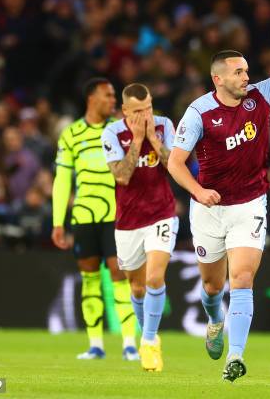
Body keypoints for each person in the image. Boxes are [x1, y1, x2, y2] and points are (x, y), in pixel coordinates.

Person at [168, 18, 270, 381]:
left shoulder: (262, 96)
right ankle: (215, 319)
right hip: (209, 209)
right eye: (239, 72)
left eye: (247, 70)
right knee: (213, 286)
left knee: (243, 278)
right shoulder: (199, 112)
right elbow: (175, 163)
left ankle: (236, 356)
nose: (247, 76)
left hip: (249, 205)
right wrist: (199, 191)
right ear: (218, 79)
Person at [51, 77, 138, 361]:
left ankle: (129, 345)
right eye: (108, 95)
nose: (114, 100)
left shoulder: (119, 132)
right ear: (92, 98)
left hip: (116, 215)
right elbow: (62, 180)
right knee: (89, 279)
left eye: (114, 96)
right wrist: (57, 222)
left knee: (119, 276)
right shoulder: (71, 134)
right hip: (85, 216)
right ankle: (96, 345)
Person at [101, 83, 178, 372]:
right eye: (137, 111)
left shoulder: (164, 125)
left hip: (162, 213)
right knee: (136, 285)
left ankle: (146, 342)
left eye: (147, 108)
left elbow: (174, 165)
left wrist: (153, 140)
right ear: (124, 110)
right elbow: (121, 176)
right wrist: (136, 140)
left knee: (154, 278)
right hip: (129, 220)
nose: (144, 115)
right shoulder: (111, 133)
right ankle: (151, 335)